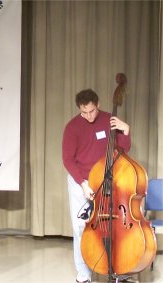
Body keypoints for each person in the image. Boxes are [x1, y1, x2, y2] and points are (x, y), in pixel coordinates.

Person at [62, 89, 131, 283]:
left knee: (113, 224)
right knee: (80, 227)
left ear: (98, 105)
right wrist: (82, 184)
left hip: (106, 179)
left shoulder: (110, 120)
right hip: (80, 181)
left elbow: (123, 149)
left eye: (91, 111)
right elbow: (68, 160)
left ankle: (117, 268)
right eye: (84, 112)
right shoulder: (72, 127)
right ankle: (84, 275)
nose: (88, 116)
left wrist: (125, 130)